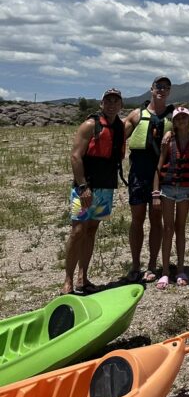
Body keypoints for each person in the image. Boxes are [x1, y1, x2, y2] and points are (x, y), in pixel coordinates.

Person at [62, 88, 125, 295]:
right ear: (101, 104)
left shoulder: (120, 127)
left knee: (91, 230)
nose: (112, 104)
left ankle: (83, 277)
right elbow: (75, 156)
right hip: (85, 187)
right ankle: (68, 280)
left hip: (106, 186)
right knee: (78, 231)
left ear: (121, 105)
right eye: (108, 101)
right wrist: (82, 187)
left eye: (116, 101)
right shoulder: (90, 125)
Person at [124, 76, 173, 282]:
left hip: (162, 174)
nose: (162, 90)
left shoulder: (173, 116)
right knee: (137, 218)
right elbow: (117, 137)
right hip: (139, 172)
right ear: (151, 89)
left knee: (156, 218)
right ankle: (135, 265)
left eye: (166, 87)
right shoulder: (136, 115)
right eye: (158, 86)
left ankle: (152, 265)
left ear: (169, 91)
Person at [152, 106, 189, 288]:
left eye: (184, 117)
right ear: (173, 122)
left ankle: (180, 269)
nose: (181, 120)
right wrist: (155, 193)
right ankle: (165, 272)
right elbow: (159, 166)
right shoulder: (168, 141)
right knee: (168, 229)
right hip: (168, 189)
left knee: (181, 228)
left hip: (185, 190)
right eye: (177, 118)